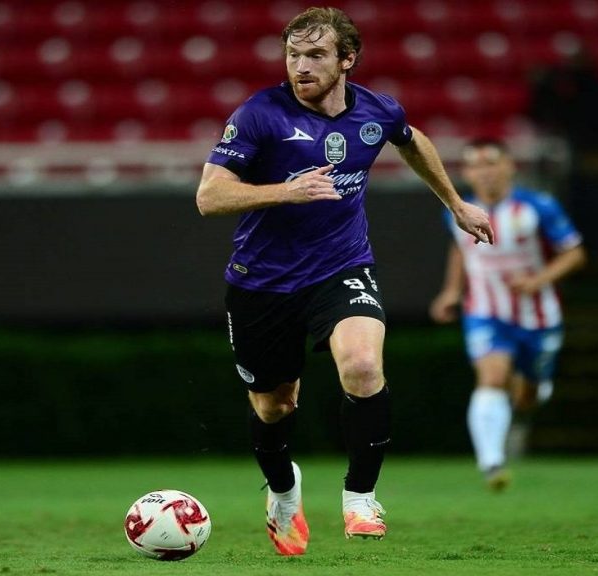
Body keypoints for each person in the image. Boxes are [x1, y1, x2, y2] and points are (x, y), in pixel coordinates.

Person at [196, 7, 492, 555]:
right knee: (275, 406)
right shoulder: (260, 114)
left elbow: (411, 139)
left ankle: (360, 497)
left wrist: (455, 202)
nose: (300, 67)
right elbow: (209, 196)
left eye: (315, 55)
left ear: (347, 59)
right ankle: (283, 492)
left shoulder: (377, 111)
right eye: (293, 55)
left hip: (342, 266)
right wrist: (286, 191)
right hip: (263, 281)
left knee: (361, 365)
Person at [429, 138, 585, 491]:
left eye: (491, 163)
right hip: (485, 311)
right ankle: (492, 463)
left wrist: (538, 280)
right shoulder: (457, 211)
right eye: (475, 165)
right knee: (492, 376)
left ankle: (522, 406)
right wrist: (452, 291)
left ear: (509, 166)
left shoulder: (538, 207)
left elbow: (575, 253)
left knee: (528, 395)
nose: (484, 172)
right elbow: (461, 249)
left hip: (538, 316)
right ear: (467, 173)